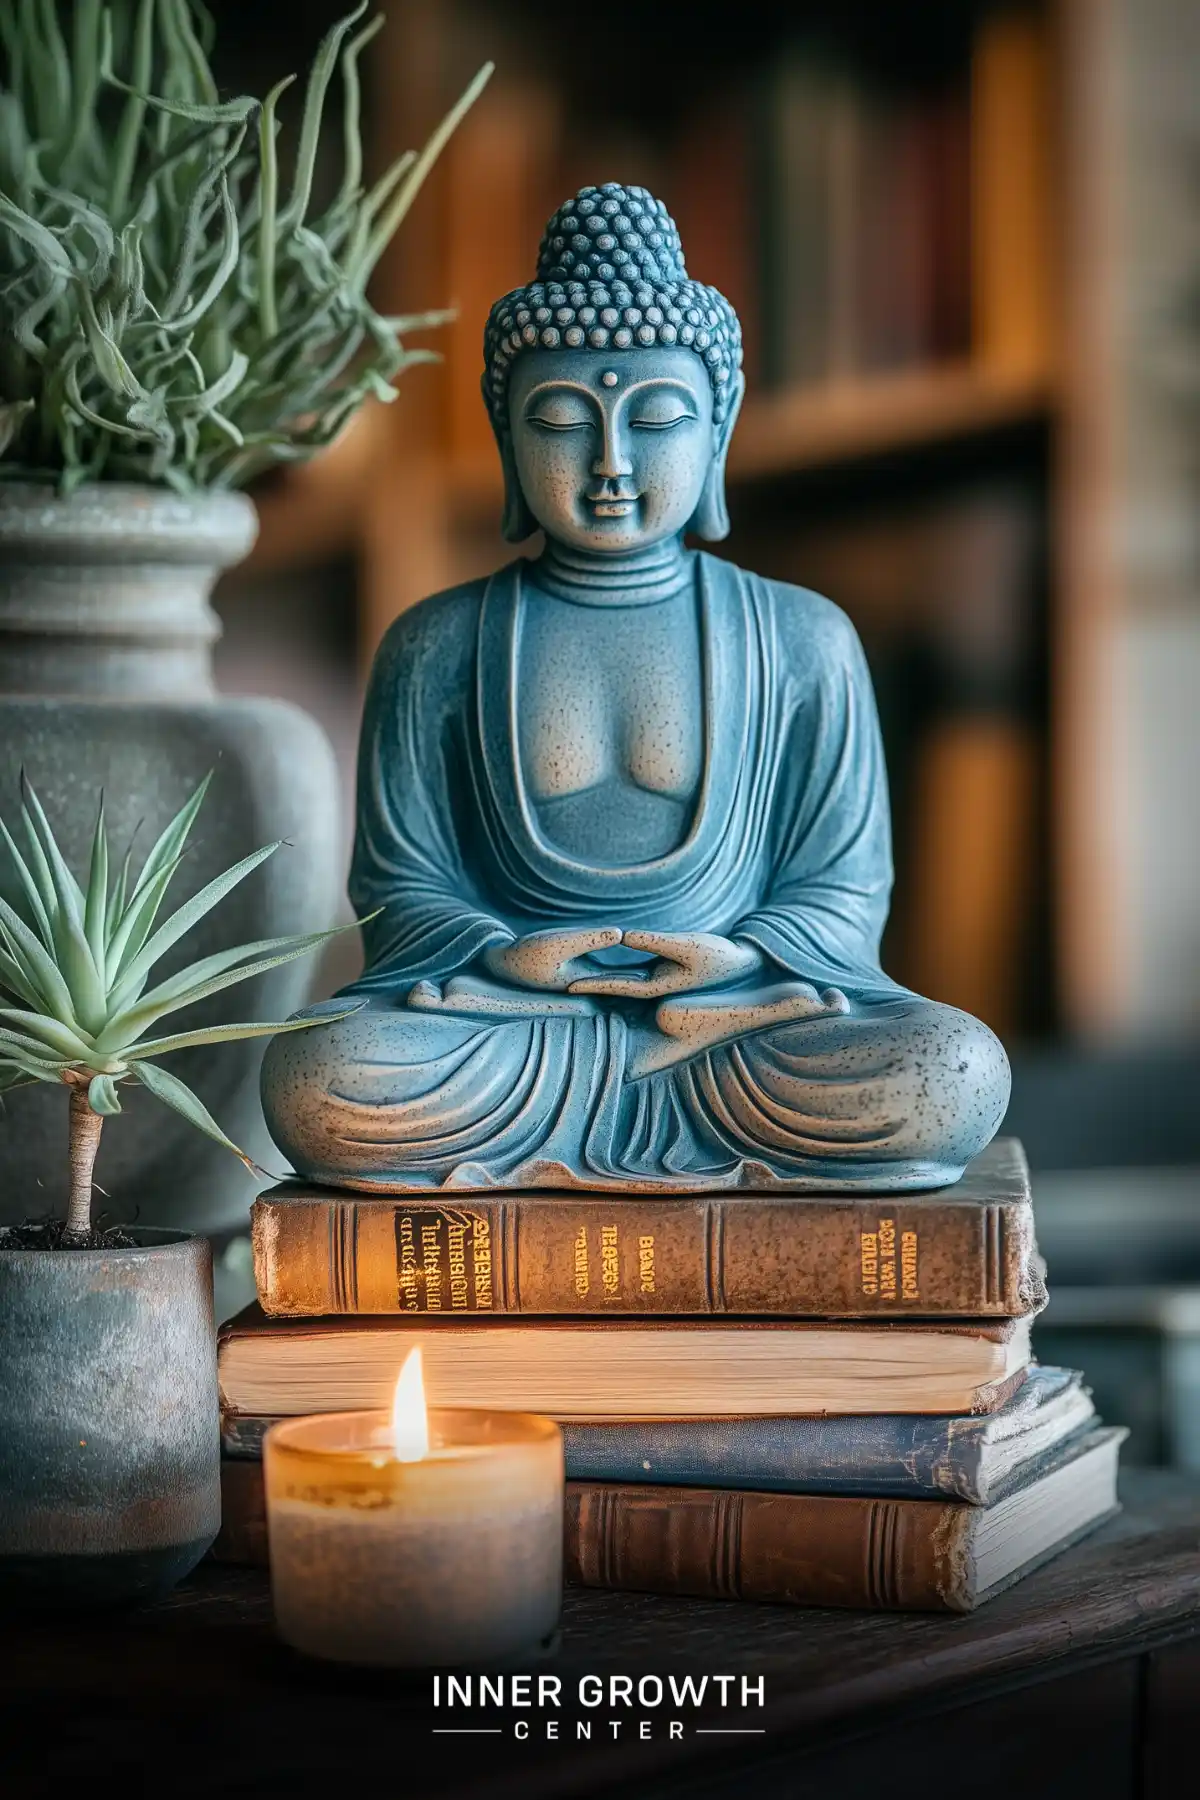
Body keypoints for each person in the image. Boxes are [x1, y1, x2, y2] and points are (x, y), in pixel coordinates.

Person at [262, 184, 1010, 1192]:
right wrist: (502, 955)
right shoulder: (435, 645)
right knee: (316, 1081)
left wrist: (741, 960)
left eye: (656, 418)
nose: (611, 463)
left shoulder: (801, 638)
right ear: (506, 436)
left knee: (949, 1071)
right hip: (515, 1033)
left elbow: (844, 886)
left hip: (727, 1034)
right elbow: (401, 889)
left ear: (720, 429)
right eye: (562, 420)